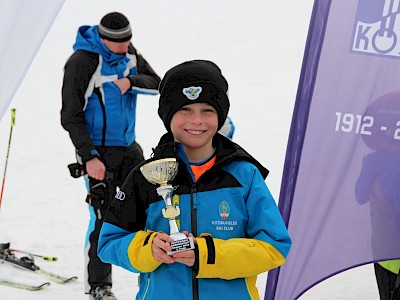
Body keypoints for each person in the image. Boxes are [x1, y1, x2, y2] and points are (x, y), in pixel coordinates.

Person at [97, 59, 292, 299]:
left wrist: (207, 253)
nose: (197, 120)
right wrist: (148, 248)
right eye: (185, 110)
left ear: (220, 116)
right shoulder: (147, 176)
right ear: (167, 116)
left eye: (207, 110)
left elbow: (274, 246)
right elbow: (109, 244)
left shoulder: (244, 175)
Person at [60, 12, 160, 300]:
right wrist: (89, 156)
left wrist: (130, 82)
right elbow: (70, 116)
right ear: (104, 39)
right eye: (121, 42)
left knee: (151, 206)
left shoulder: (129, 53)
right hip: (97, 153)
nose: (126, 46)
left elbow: (156, 81)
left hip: (129, 147)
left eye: (129, 40)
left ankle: (156, 269)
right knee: (103, 217)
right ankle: (99, 287)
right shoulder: (83, 61)